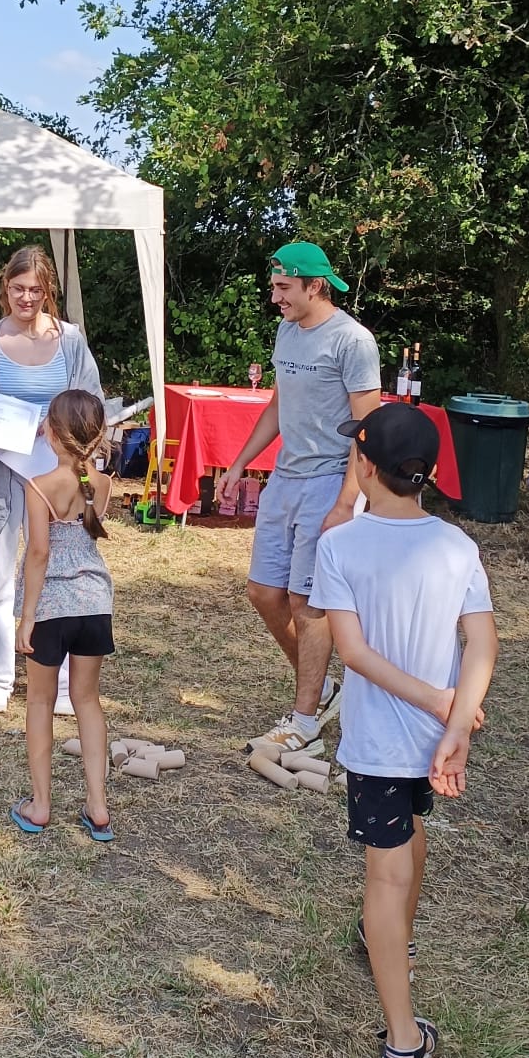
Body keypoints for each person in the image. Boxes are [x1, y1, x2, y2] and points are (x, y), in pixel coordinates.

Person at [309, 404, 497, 1058]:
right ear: (429, 473)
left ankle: (402, 1043)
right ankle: (395, 948)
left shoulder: (341, 545)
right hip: (434, 744)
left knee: (384, 879)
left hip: (384, 746)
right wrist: (455, 721)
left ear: (364, 466)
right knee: (412, 838)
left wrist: (443, 708)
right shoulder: (455, 546)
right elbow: (482, 641)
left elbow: (352, 652)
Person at [218, 240, 381, 757]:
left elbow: (368, 427)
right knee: (264, 592)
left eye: (284, 287)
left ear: (315, 286)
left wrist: (345, 501)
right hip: (285, 480)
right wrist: (242, 461)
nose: (275, 298)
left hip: (332, 480)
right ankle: (325, 688)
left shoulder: (353, 341)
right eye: (274, 287)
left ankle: (305, 719)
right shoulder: (288, 331)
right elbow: (278, 402)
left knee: (307, 602)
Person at [0, 247, 103, 714]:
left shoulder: (71, 341)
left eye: (36, 290)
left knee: (59, 573)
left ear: (47, 292)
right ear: (6, 288)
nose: (26, 298)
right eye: (18, 289)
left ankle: (57, 681)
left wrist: (62, 433)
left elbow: (92, 402)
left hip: (56, 477)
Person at [9, 390, 116, 843]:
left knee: (39, 702)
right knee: (87, 701)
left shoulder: (39, 487)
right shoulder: (104, 484)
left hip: (51, 608)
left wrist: (27, 616)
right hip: (94, 603)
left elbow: (38, 553)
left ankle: (40, 804)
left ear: (50, 433)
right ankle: (97, 805)